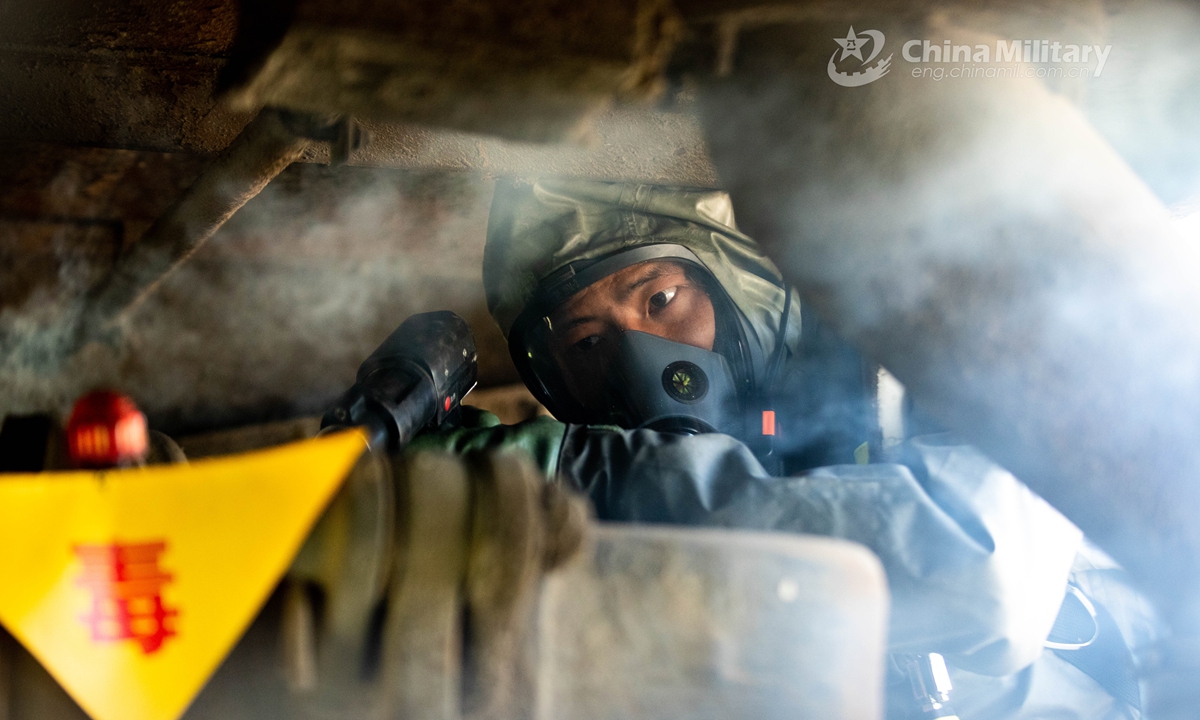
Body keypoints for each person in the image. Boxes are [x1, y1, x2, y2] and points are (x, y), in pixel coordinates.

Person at [408, 178, 1156, 719]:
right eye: (589, 342)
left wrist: (563, 470)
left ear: (742, 286)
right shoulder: (618, 507)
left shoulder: (920, 351)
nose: (637, 361)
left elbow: (980, 574)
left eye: (660, 299)